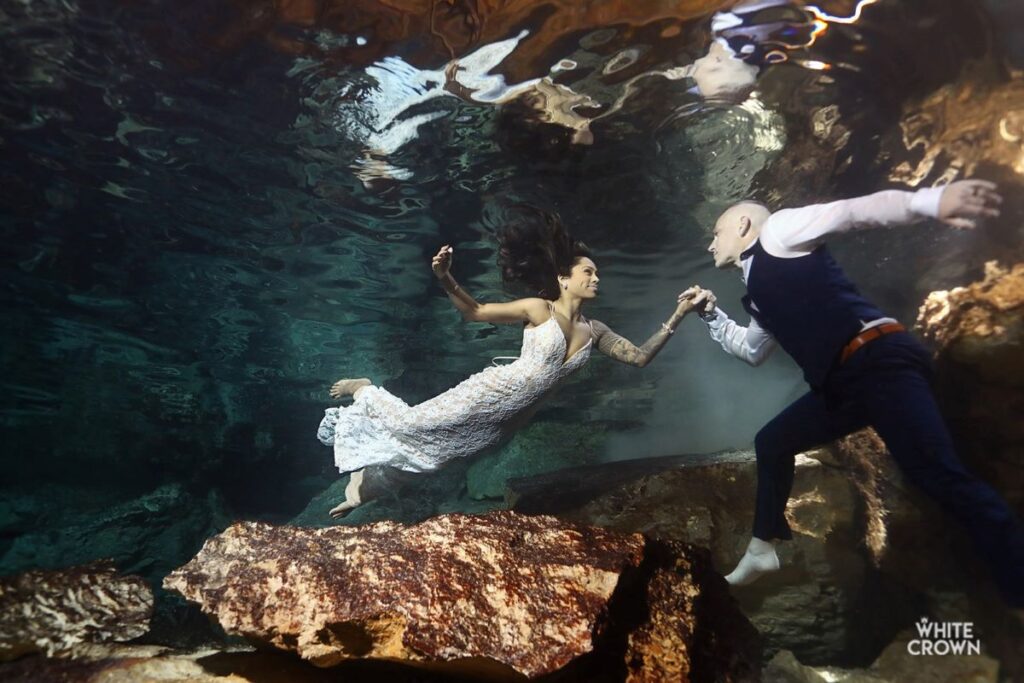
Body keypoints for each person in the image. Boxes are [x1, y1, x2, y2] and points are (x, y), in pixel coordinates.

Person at [693, 179, 1024, 608]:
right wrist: (710, 315)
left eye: (714, 234)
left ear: (742, 225)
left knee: (938, 475)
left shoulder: (780, 230)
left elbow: (852, 211)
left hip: (878, 361)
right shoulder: (756, 291)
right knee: (771, 442)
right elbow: (752, 351)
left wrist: (930, 200)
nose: (709, 245)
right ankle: (762, 548)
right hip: (845, 384)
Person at [318, 208, 711, 518]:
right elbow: (475, 311)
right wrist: (444, 276)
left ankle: (362, 487)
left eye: (597, 273)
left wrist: (679, 314)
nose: (596, 279)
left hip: (506, 423)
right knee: (410, 425)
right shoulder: (539, 309)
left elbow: (640, 358)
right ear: (563, 278)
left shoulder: (597, 330)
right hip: (488, 395)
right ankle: (364, 388)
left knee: (436, 458)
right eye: (588, 272)